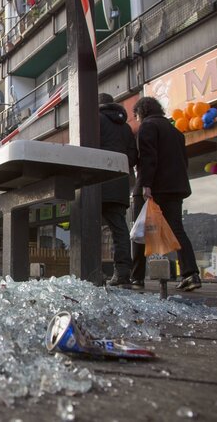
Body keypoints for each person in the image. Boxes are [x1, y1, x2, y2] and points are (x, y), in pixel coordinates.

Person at [131, 96, 201, 291]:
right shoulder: (176, 131)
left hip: (154, 187)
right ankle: (191, 274)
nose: (136, 119)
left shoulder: (147, 127)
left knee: (139, 230)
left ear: (141, 112)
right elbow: (183, 162)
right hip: (175, 187)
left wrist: (146, 184)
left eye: (136, 115)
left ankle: (136, 277)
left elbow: (148, 157)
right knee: (177, 230)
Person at [97, 93, 138, 287]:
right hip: (120, 183)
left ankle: (91, 272)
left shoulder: (96, 119)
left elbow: (86, 146)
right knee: (119, 229)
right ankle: (122, 273)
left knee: (89, 227)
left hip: (96, 181)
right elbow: (133, 156)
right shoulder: (126, 127)